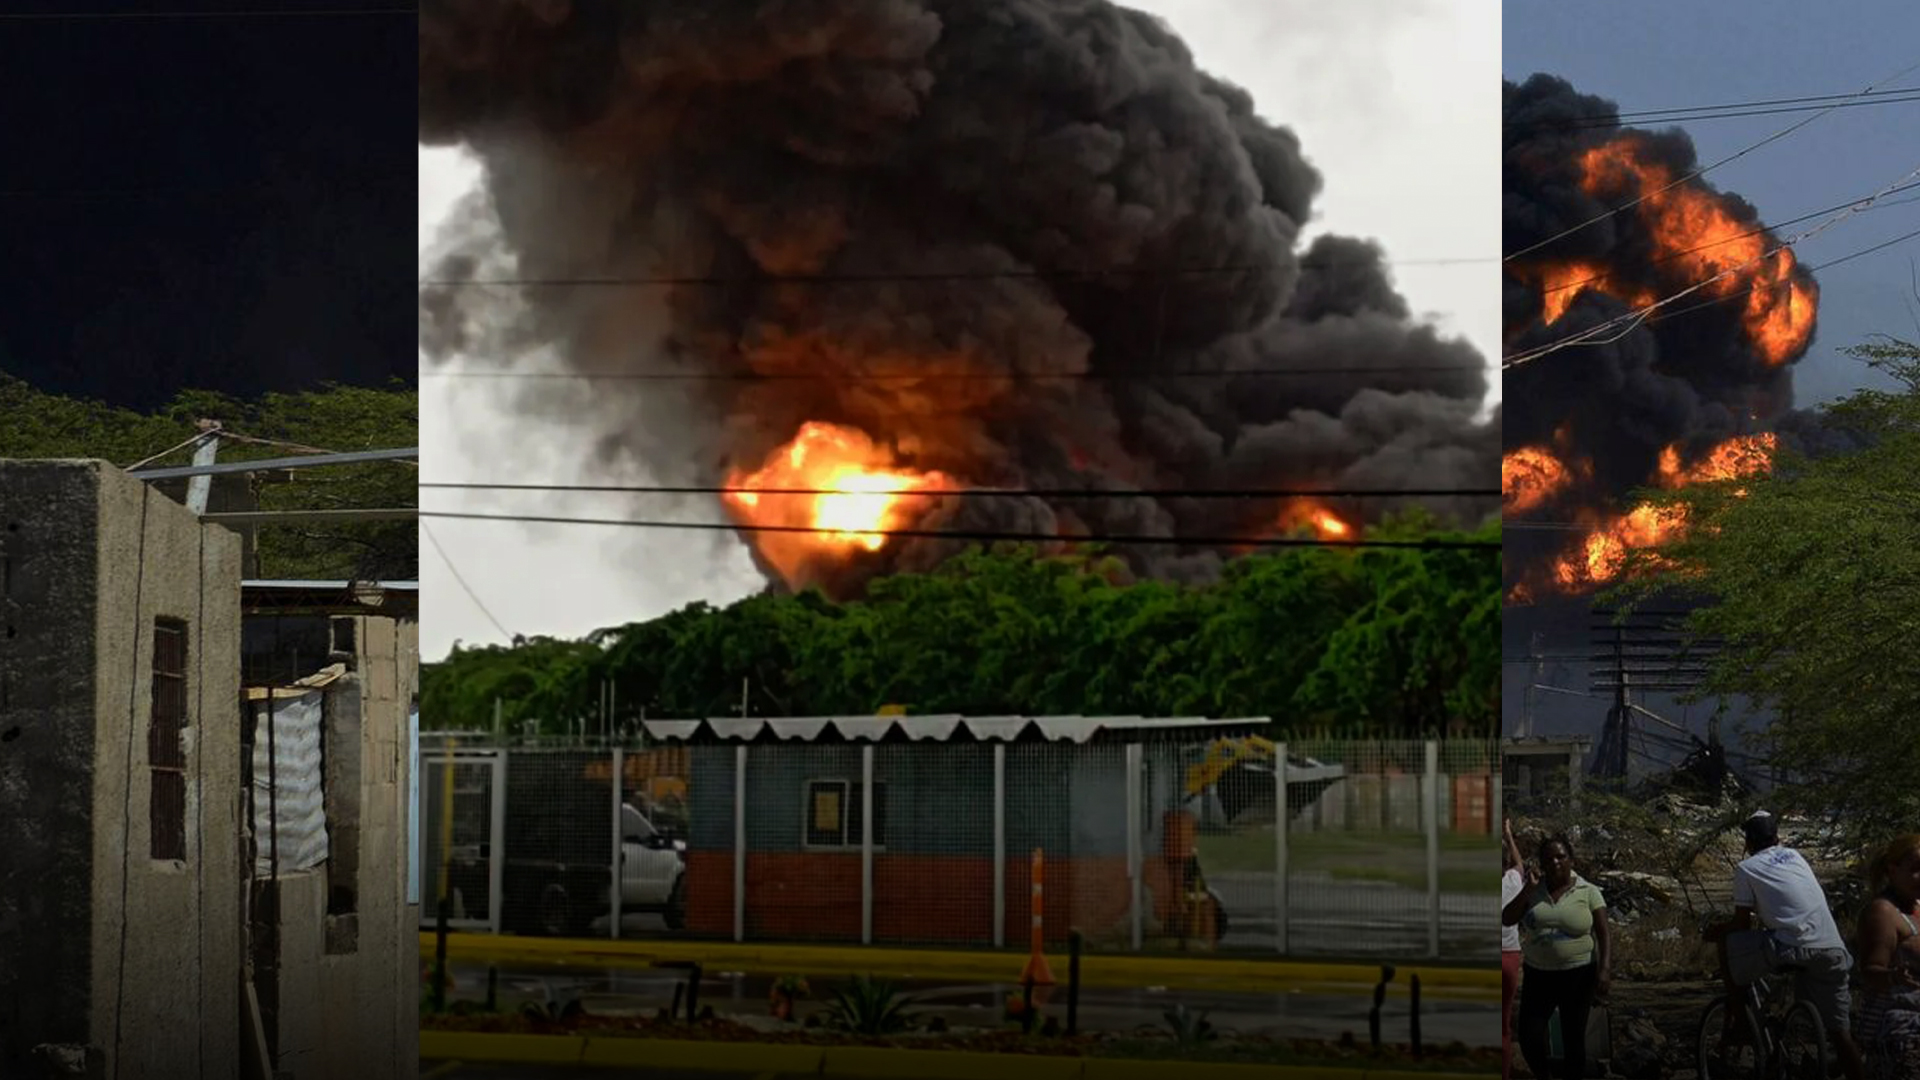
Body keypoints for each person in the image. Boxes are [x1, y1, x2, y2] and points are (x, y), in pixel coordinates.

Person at [1711, 810, 1865, 1080]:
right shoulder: (1795, 856)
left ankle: (1741, 1022)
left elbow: (1741, 923)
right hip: (1832, 948)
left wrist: (1715, 931)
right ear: (1777, 838)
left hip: (1790, 947)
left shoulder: (1746, 868)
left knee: (1728, 943)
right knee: (1840, 1034)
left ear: (1747, 842)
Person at [1503, 833, 1610, 1079]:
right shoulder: (1533, 890)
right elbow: (1507, 918)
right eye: (1549, 858)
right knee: (1530, 1036)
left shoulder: (1588, 891)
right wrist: (1527, 890)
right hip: (1539, 975)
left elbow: (1604, 933)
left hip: (1579, 975)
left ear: (1571, 859)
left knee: (1573, 1038)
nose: (1555, 862)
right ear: (1542, 863)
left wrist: (1604, 970)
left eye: (1561, 857)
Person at [1853, 833, 1920, 1080]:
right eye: (1915, 869)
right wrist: (1893, 976)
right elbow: (1870, 970)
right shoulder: (1883, 912)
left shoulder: (1916, 905)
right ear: (1892, 870)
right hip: (1901, 1039)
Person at [1501, 818, 1526, 1080]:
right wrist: (1509, 836)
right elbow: (1518, 864)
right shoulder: (1511, 882)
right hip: (1509, 956)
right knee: (1503, 1023)